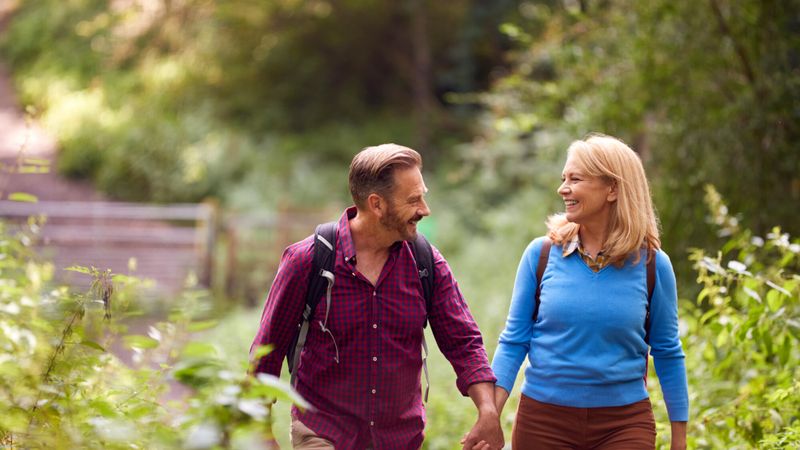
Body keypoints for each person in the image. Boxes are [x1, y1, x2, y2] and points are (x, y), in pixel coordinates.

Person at [251, 144, 504, 450]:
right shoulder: (308, 261)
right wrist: (261, 433)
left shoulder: (426, 263)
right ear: (377, 204)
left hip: (399, 439)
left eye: (423, 196)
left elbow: (463, 341)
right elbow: (266, 352)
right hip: (324, 434)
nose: (425, 209)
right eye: (414, 200)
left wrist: (488, 410)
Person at [491, 134, 689, 449]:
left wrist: (679, 440)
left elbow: (667, 351)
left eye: (576, 179)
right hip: (543, 423)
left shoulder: (653, 265)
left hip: (624, 425)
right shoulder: (541, 255)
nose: (563, 188)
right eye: (563, 178)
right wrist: (490, 415)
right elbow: (514, 340)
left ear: (612, 188)